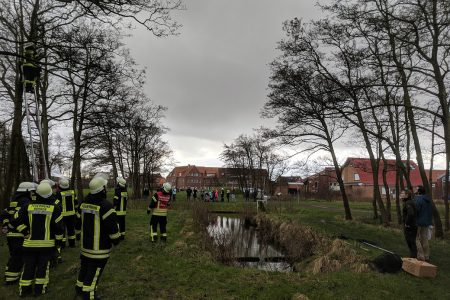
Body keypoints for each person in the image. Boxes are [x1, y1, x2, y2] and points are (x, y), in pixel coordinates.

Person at [12, 182, 63, 297]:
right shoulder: (54, 208)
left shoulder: (27, 206)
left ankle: (24, 290)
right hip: (47, 245)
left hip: (29, 244)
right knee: (43, 268)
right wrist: (58, 243)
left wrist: (24, 231)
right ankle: (40, 290)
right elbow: (59, 229)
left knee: (28, 267)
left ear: (37, 194)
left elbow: (15, 219)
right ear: (50, 194)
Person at [75, 176, 121, 300]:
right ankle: (88, 295)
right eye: (105, 187)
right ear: (102, 189)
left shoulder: (83, 203)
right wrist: (116, 240)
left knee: (84, 267)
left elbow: (77, 222)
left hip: (85, 247)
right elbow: (113, 228)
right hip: (99, 250)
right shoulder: (106, 206)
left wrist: (78, 235)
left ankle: (79, 288)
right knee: (94, 273)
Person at [0, 182, 36, 285]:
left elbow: (4, 213)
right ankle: (11, 279)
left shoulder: (14, 202)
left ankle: (8, 274)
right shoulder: (25, 202)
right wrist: (25, 231)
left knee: (13, 255)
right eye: (32, 192)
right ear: (26, 192)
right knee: (18, 257)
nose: (32, 194)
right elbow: (18, 220)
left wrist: (6, 224)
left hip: (10, 235)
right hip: (18, 235)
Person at [55, 177, 77, 248]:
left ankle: (63, 244)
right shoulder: (73, 192)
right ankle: (72, 244)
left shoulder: (58, 194)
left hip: (62, 215)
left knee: (62, 231)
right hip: (72, 215)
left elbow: (56, 205)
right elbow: (76, 203)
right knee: (71, 230)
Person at [414, 185, 433, 261]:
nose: (415, 189)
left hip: (418, 222)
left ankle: (421, 256)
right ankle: (426, 255)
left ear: (419, 191)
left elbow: (416, 211)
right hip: (426, 222)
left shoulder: (418, 199)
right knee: (424, 238)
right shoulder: (428, 200)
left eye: (416, 188)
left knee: (415, 238)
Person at [401, 189, 417, 258]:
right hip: (413, 225)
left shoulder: (408, 203)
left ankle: (413, 257)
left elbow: (410, 214)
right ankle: (413, 257)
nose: (401, 194)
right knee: (411, 241)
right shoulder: (409, 202)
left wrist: (407, 223)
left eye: (402, 193)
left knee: (411, 241)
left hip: (410, 225)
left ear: (407, 195)